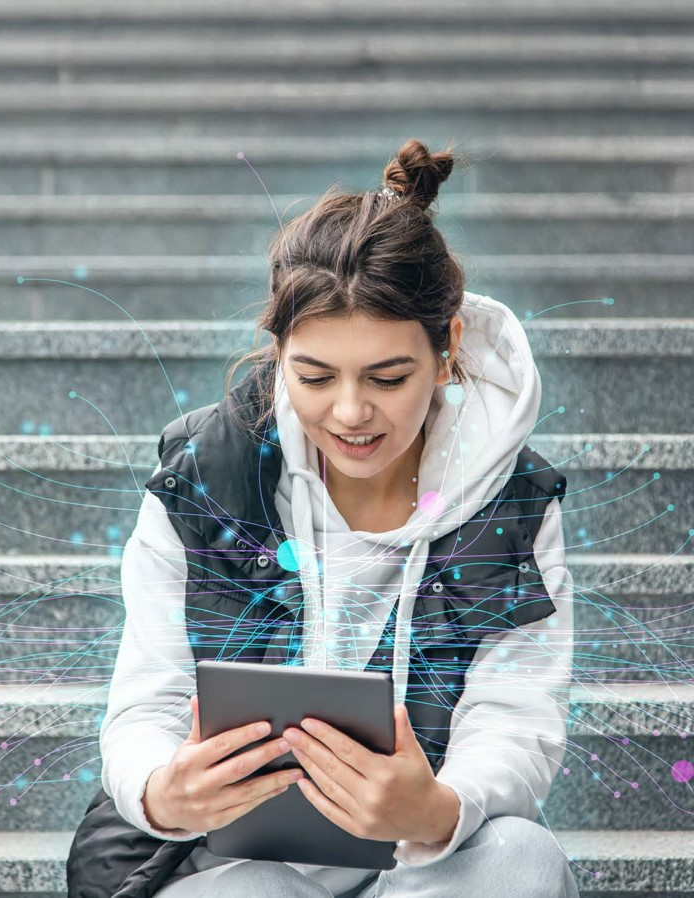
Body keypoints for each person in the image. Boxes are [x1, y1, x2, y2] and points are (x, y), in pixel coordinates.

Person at [67, 138, 580, 898]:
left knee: (522, 862)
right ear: (278, 353)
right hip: (241, 861)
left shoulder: (513, 501)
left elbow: (515, 715)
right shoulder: (203, 479)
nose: (349, 413)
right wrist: (161, 790)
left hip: (425, 861)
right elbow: (150, 697)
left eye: (388, 376)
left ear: (448, 352)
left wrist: (439, 807)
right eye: (314, 376)